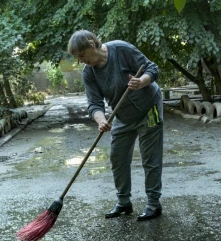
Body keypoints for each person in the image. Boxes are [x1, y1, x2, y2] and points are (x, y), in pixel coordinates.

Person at [68, 30, 164, 221]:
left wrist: (141, 82)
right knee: (117, 158)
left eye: (82, 55)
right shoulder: (89, 72)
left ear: (91, 44)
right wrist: (100, 119)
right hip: (122, 115)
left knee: (150, 158)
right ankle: (123, 202)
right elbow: (94, 103)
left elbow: (152, 69)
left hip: (149, 108)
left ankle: (153, 204)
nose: (81, 61)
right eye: (77, 58)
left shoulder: (121, 49)